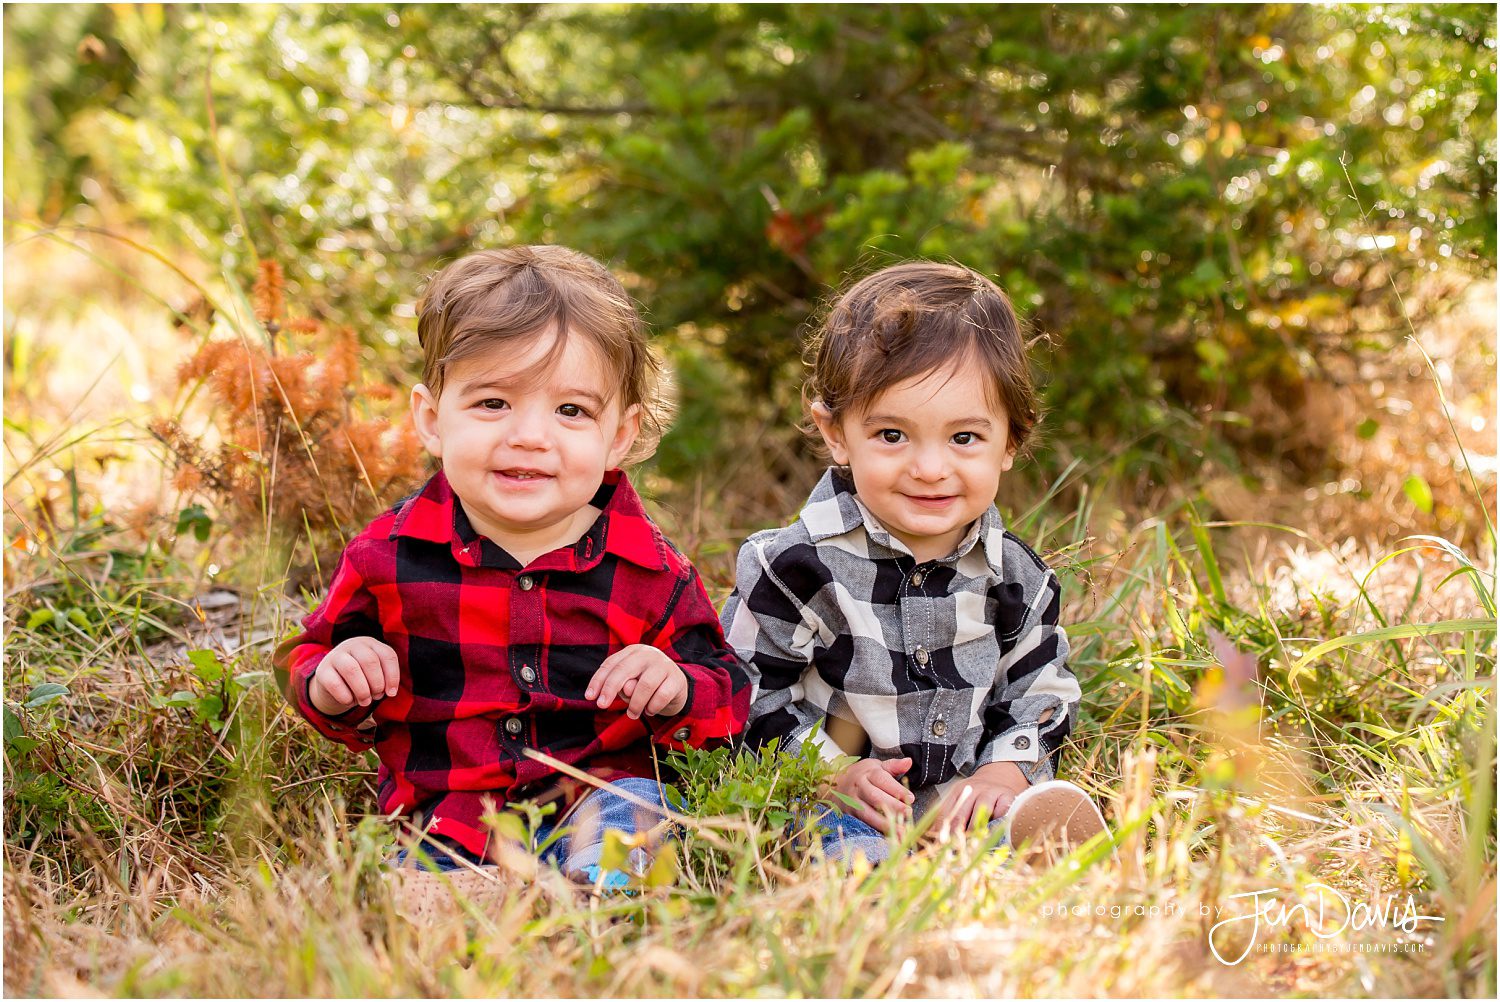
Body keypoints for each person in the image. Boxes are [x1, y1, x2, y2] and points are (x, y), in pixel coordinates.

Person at [274, 245, 749, 890]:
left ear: (619, 435)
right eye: (493, 403)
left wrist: (677, 687)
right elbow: (307, 658)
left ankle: (606, 910)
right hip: (450, 817)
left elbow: (728, 692)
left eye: (571, 410)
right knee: (424, 905)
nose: (529, 435)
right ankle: (458, 915)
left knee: (637, 820)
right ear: (431, 419)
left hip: (602, 802)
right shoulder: (387, 556)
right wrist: (334, 679)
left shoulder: (653, 572)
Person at [721, 261, 1107, 865]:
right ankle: (874, 890)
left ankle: (1033, 854)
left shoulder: (1017, 577)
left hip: (964, 808)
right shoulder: (793, 567)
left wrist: (1006, 771)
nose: (929, 468)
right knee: (830, 844)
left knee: (1018, 823)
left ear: (1011, 440)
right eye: (893, 436)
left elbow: (1040, 686)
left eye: (964, 438)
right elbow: (746, 695)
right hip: (840, 807)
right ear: (837, 432)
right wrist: (829, 774)